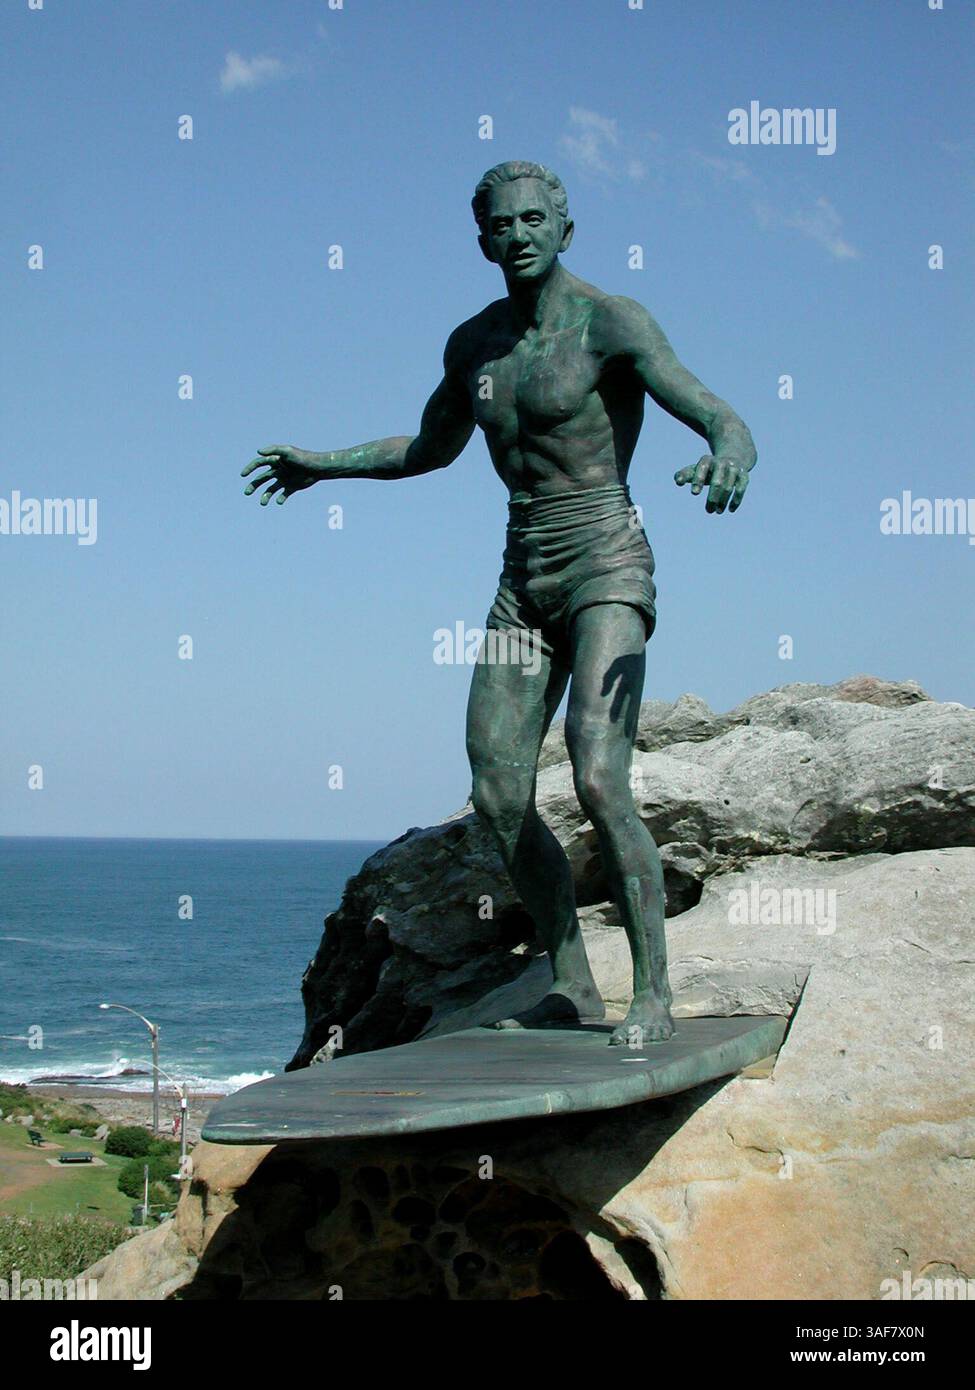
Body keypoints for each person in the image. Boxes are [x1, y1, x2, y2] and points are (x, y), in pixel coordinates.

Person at [242, 161, 757, 1045]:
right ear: (481, 239)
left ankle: (653, 995)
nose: (516, 234)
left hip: (604, 562)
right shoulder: (473, 345)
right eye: (498, 224)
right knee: (497, 792)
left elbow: (717, 413)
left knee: (598, 776)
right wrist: (325, 465)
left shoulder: (611, 322)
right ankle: (570, 981)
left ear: (564, 228)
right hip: (522, 583)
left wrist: (729, 455)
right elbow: (427, 448)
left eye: (532, 218)